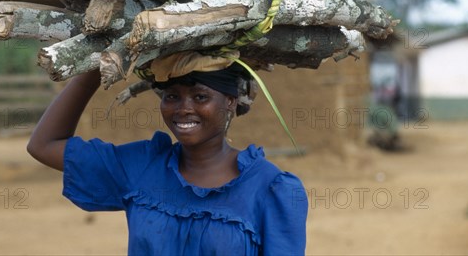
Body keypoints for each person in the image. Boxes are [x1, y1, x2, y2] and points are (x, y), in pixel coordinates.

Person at [27, 53, 308, 255]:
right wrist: (97, 61)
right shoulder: (141, 167)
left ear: (231, 102)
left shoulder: (271, 189)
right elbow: (44, 145)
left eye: (200, 97)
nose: (183, 108)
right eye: (171, 96)